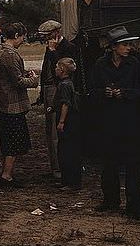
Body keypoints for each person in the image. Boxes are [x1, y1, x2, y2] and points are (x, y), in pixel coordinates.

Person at [90, 26, 140, 222]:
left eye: (129, 44)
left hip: (130, 121)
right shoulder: (100, 65)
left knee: (133, 163)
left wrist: (124, 93)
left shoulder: (134, 64)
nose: (129, 48)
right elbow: (92, 91)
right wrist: (105, 93)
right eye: (125, 45)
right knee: (109, 162)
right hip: (108, 121)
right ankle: (110, 200)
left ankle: (136, 206)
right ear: (113, 47)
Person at [0, 22, 39, 188]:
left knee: (10, 139)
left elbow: (11, 75)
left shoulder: (4, 52)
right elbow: (17, 81)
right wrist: (33, 79)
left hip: (6, 102)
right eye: (22, 36)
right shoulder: (10, 54)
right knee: (14, 141)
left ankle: (7, 173)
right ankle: (6, 175)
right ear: (16, 35)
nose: (23, 40)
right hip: (12, 104)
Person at [37, 19, 77, 180]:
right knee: (49, 130)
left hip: (58, 89)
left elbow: (64, 70)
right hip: (48, 88)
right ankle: (55, 166)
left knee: (56, 130)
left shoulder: (68, 48)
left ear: (55, 33)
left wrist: (53, 52)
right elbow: (46, 69)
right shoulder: (50, 47)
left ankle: (60, 169)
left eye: (47, 35)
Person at [53, 57, 81, 190]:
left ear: (62, 70)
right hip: (71, 120)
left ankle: (71, 181)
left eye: (57, 67)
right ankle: (68, 180)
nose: (55, 70)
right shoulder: (68, 83)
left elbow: (65, 103)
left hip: (68, 120)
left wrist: (61, 121)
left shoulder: (64, 85)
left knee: (67, 150)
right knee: (67, 149)